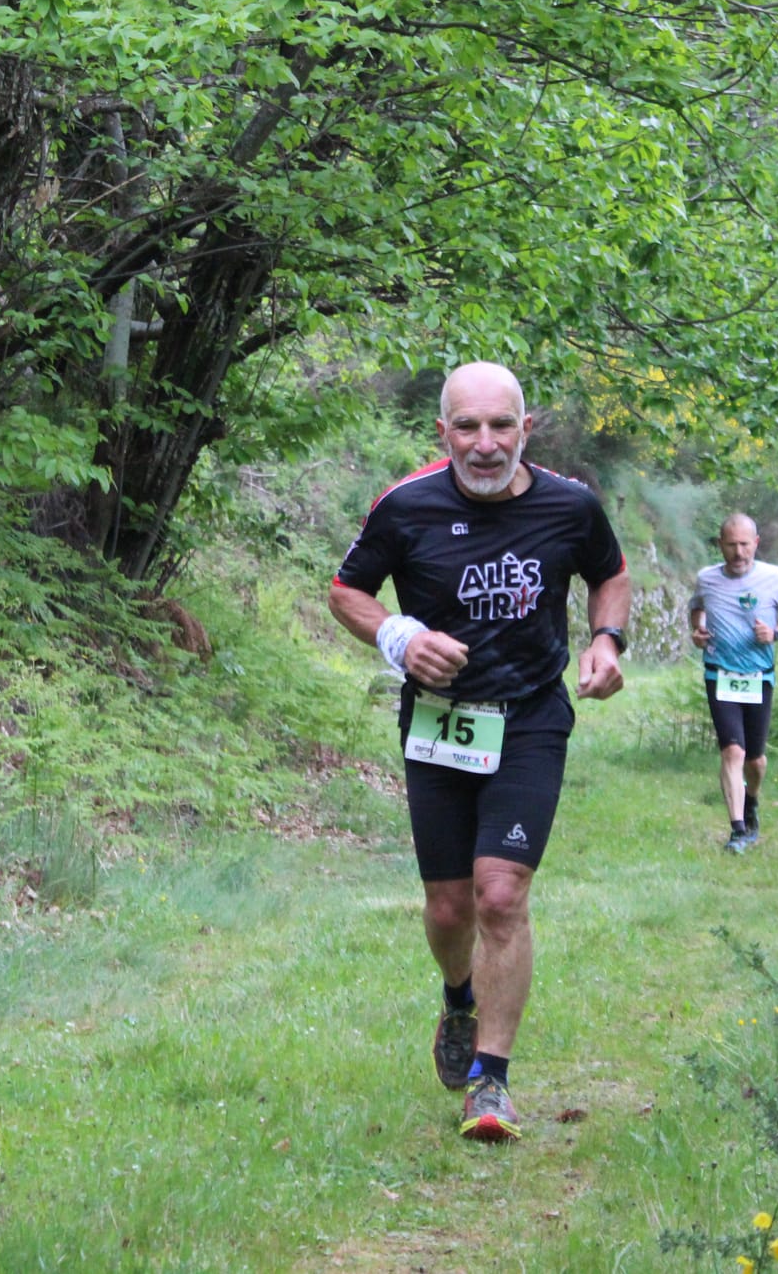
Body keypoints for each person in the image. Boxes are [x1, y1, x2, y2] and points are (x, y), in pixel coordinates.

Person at [328, 362, 631, 1143]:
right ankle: (457, 994)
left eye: (502, 426)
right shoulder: (406, 505)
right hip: (439, 723)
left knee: (500, 895)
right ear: (444, 432)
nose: (486, 443)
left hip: (530, 717)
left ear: (527, 429)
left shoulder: (571, 505)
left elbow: (611, 574)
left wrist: (606, 639)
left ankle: (489, 1081)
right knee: (449, 906)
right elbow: (347, 591)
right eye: (468, 426)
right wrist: (400, 636)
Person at [686, 514, 778, 853]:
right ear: (720, 545)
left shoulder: (775, 578)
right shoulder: (707, 579)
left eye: (744, 544)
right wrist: (699, 631)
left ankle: (751, 801)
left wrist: (776, 633)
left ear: (756, 543)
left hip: (759, 675)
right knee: (732, 750)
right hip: (719, 673)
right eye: (731, 545)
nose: (739, 552)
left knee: (755, 760)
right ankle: (738, 830)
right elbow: (697, 608)